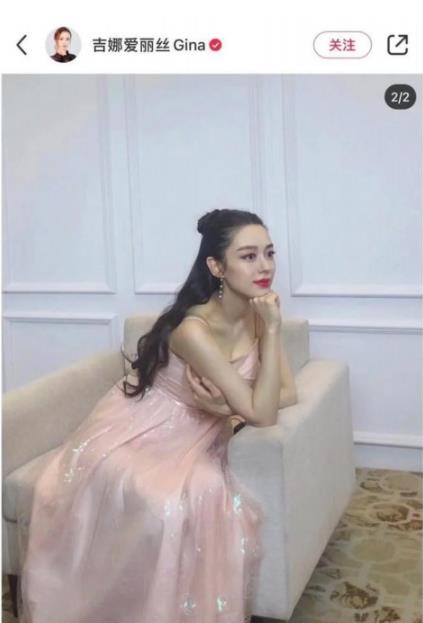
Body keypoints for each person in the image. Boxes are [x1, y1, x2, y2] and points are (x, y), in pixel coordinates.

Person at [16, 208, 297, 623]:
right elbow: (263, 409)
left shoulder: (260, 315)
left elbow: (284, 395)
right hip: (146, 427)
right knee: (168, 505)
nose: (265, 266)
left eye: (269, 253)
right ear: (216, 267)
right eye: (248, 256)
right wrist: (240, 403)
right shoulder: (193, 330)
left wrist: (230, 408)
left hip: (201, 431)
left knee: (209, 493)